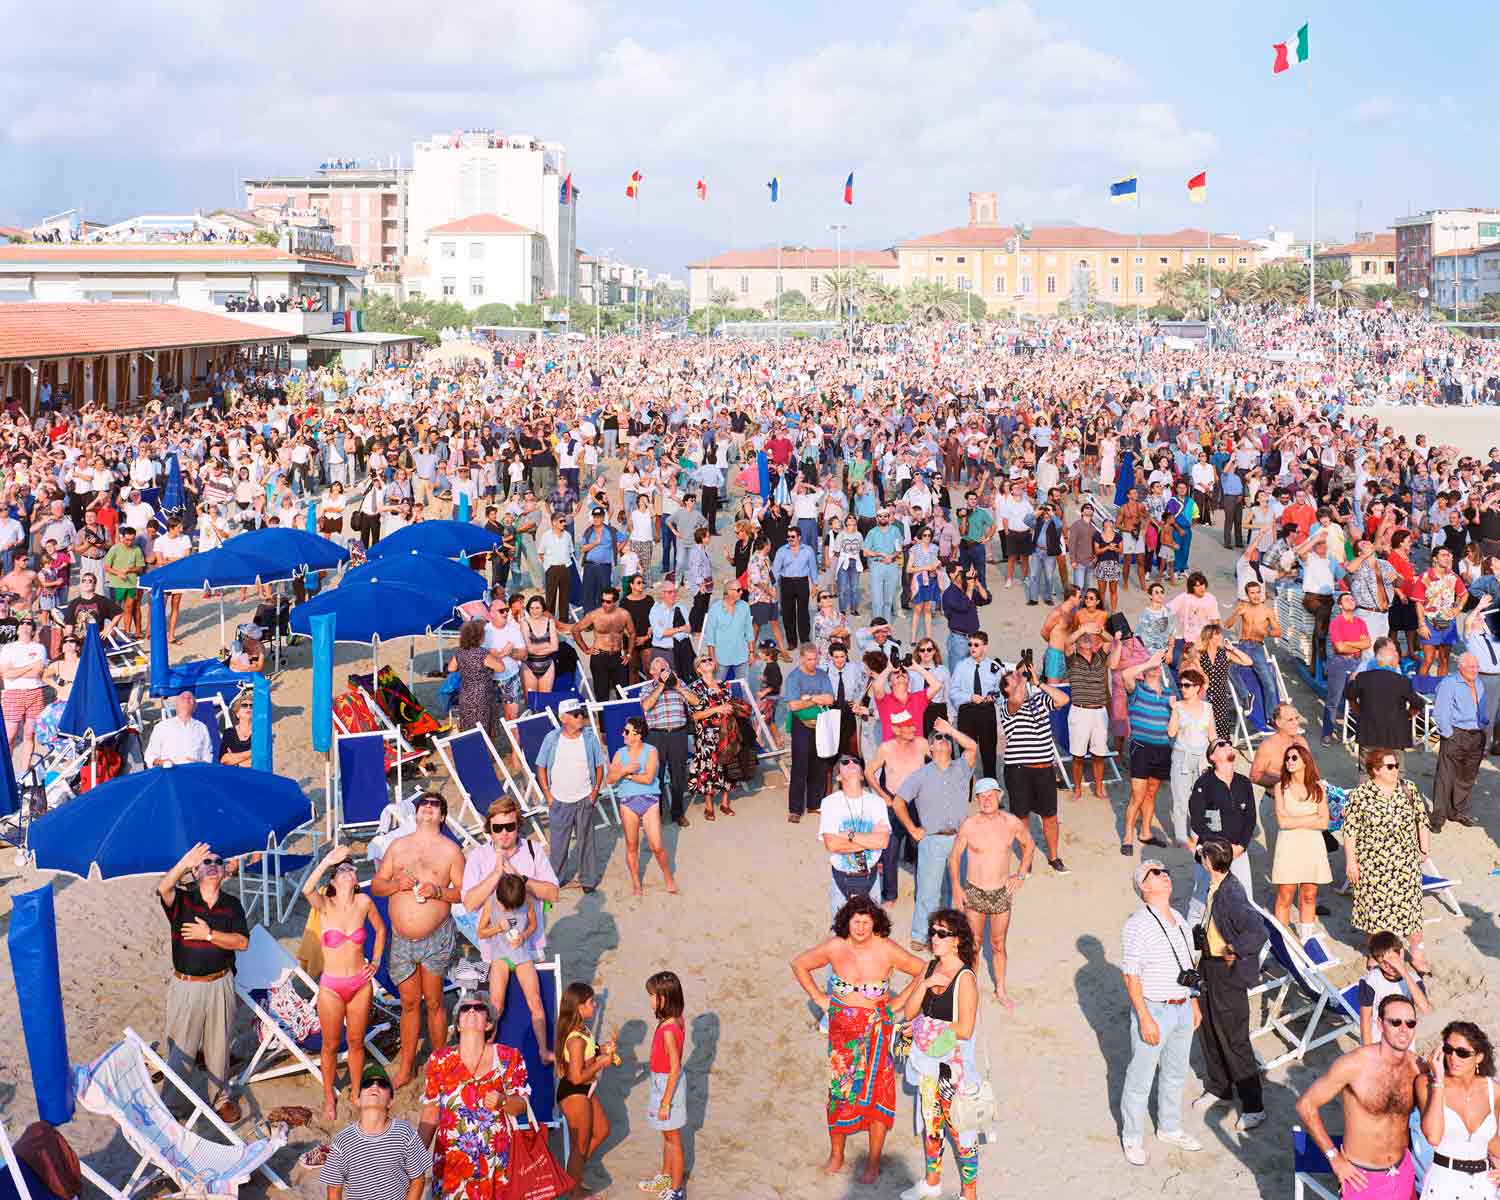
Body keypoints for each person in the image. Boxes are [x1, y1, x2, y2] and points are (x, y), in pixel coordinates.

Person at [790, 895, 925, 1186]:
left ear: (875, 923)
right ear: (846, 921)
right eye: (856, 921)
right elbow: (799, 964)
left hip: (878, 1031)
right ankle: (836, 1154)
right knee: (839, 1092)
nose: (861, 927)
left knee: (878, 1096)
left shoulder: (886, 949)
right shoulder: (835, 947)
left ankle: (874, 1162)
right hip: (842, 1033)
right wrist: (819, 999)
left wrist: (899, 1001)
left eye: (866, 921)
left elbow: (922, 969)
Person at [368, 793, 466, 1089]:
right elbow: (376, 885)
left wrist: (437, 892)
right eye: (424, 803)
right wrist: (398, 884)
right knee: (409, 1003)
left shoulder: (451, 852)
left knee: (435, 1001)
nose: (428, 806)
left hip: (436, 937)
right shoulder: (398, 847)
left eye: (436, 804)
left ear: (442, 817)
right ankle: (407, 1067)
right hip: (401, 940)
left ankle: (438, 1066)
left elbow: (462, 893)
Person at [1294, 992, 1423, 1197]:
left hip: (1403, 1170)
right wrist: (1334, 1158)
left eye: (1410, 1023)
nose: (1403, 1030)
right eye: (1395, 1022)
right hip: (1361, 1177)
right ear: (1380, 1024)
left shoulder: (1418, 1068)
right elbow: (1305, 1105)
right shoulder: (1354, 1065)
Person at [1119, 858, 1204, 1167]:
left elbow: (1187, 966)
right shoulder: (1136, 925)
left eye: (1166, 871)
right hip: (1155, 1009)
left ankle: (1169, 1127)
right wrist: (1143, 1016)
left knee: (1175, 1073)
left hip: (1181, 1007)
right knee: (1140, 1077)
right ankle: (1132, 1136)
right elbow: (1131, 976)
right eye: (1156, 873)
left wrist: (1193, 1001)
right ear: (1144, 886)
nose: (1165, 876)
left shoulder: (1179, 918)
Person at [157, 842, 249, 1123]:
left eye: (217, 862)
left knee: (219, 1045)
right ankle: (172, 1106)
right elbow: (164, 889)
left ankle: (220, 1099)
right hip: (187, 986)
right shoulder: (183, 901)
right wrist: (183, 863)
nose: (212, 865)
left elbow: (242, 942)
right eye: (205, 862)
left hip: (220, 982)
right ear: (195, 872)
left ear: (223, 872)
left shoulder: (232, 905)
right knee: (181, 1049)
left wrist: (209, 935)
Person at [900, 910, 981, 1200]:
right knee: (931, 1122)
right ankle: (932, 1183)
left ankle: (969, 1193)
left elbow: (966, 1028)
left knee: (960, 1128)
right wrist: (924, 984)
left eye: (942, 934)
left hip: (952, 1067)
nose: (934, 938)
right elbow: (909, 1012)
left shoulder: (965, 978)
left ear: (956, 940)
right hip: (928, 1063)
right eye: (933, 931)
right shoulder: (930, 967)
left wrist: (928, 1031)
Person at [417, 995, 528, 1200]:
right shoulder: (439, 1060)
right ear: (458, 1025)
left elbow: (523, 1105)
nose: (471, 1010)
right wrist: (413, 1156)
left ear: (488, 1024)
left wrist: (503, 1100)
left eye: (479, 1007)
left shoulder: (509, 1056)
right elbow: (431, 1112)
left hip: (496, 1164)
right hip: (452, 1164)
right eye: (465, 1008)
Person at [302, 845, 385, 1121]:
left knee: (356, 1041)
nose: (348, 872)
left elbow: (381, 929)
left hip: (360, 984)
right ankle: (329, 1097)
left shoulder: (364, 903)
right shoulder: (325, 905)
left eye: (351, 868)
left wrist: (375, 960)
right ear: (334, 881)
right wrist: (327, 860)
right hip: (332, 987)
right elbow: (306, 890)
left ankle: (355, 1091)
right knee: (330, 1044)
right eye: (342, 870)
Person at [1191, 837, 1268, 1130]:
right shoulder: (1216, 886)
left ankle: (1254, 1105)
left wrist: (1233, 949)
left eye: (1202, 854)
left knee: (1234, 1037)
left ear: (1210, 862)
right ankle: (1219, 1087)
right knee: (1209, 1029)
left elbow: (1257, 931)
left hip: (1226, 970)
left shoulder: (1231, 893)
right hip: (1208, 966)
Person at [1343, 748, 1433, 974]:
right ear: (1375, 770)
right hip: (1373, 864)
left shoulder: (1408, 788)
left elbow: (1421, 821)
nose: (1396, 770)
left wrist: (1425, 848)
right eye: (1390, 767)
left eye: (1396, 766)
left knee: (1411, 911)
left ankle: (1417, 953)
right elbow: (1350, 832)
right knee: (1374, 912)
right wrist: (1351, 862)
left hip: (1405, 863)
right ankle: (1376, 953)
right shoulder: (1361, 795)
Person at [891, 719, 977, 950]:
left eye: (945, 740)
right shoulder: (919, 775)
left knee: (957, 889)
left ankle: (955, 933)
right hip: (932, 840)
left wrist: (950, 730)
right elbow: (898, 802)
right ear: (930, 749)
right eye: (937, 739)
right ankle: (920, 935)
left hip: (960, 839)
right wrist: (912, 829)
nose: (942, 742)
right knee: (928, 892)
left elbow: (972, 747)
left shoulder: (961, 768)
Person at [949, 777, 1034, 1008]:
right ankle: (970, 989)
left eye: (990, 795)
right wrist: (956, 886)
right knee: (973, 943)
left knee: (998, 943)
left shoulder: (1011, 822)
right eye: (981, 797)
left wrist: (1021, 874)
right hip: (975, 891)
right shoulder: (969, 825)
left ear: (999, 796)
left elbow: (1029, 845)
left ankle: (1001, 989)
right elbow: (955, 856)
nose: (986, 800)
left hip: (1001, 892)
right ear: (976, 800)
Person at [996, 661, 1070, 872]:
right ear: (1006, 690)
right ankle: (1027, 858)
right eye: (1012, 681)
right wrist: (1020, 678)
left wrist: (1039, 683)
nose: (1018, 680)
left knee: (1050, 816)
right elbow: (1018, 698)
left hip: (1044, 768)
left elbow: (1063, 699)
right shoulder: (1007, 706)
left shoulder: (1039, 699)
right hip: (1019, 769)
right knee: (1022, 816)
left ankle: (1054, 857)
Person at [319, 1064, 432, 1200]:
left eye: (382, 1084)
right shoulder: (343, 1141)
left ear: (390, 1102)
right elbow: (334, 1189)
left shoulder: (405, 1132)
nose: (374, 1086)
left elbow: (418, 1179)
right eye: (367, 1084)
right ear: (358, 1100)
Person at [1415, 1021, 1498, 1200]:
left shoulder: (1494, 1091)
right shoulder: (1426, 1083)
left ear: (1479, 1058)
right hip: (1443, 1185)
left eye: (1462, 1053)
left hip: (1483, 1187)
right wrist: (1439, 1082)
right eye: (1448, 1050)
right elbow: (1433, 1137)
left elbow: (1491, 1139)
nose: (1453, 1057)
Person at [534, 699, 608, 892]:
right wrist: (548, 796)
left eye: (581, 713)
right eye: (576, 715)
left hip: (584, 798)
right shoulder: (552, 739)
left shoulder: (590, 738)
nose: (581, 717)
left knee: (587, 842)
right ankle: (554, 881)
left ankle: (588, 881)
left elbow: (599, 766)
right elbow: (540, 767)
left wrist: (594, 792)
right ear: (564, 718)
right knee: (558, 846)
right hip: (559, 800)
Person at [554, 982, 617, 1197]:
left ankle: (573, 1175)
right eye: (591, 1002)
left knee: (602, 1131)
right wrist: (601, 1063)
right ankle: (574, 1188)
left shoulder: (582, 1028)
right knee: (579, 1148)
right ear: (579, 1007)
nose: (595, 1004)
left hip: (585, 1089)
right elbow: (575, 1076)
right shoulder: (576, 1041)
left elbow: (588, 1051)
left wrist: (601, 1048)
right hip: (574, 1093)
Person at [865, 708, 930, 908]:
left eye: (913, 725)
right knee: (890, 850)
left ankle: (923, 893)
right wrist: (883, 795)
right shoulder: (886, 748)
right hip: (893, 802)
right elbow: (868, 772)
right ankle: (890, 895)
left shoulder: (922, 743)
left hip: (917, 802)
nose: (913, 729)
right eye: (908, 726)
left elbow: (940, 763)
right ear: (896, 729)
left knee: (922, 849)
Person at [1186, 738, 1256, 921]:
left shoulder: (1243, 783)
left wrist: (1240, 846)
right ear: (1212, 756)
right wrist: (1219, 848)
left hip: (1238, 851)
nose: (1227, 745)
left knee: (1244, 897)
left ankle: (1242, 941)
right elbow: (1198, 821)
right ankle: (1192, 941)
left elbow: (1250, 818)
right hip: (1211, 851)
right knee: (1202, 898)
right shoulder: (1204, 784)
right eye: (1221, 744)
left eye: (1228, 743)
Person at [1269, 743, 1333, 940]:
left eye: (1294, 758)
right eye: (1287, 758)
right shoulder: (1280, 787)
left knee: (1309, 895)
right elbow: (1282, 822)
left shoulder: (1318, 787)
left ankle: (1306, 939)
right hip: (1288, 846)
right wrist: (1311, 819)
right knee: (1285, 895)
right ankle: (1282, 942)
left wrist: (1296, 821)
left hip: (1312, 846)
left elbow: (1324, 822)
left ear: (1305, 761)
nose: (1289, 761)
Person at [608, 715, 678, 895]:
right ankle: (636, 883)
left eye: (626, 731)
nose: (622, 734)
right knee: (632, 845)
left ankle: (668, 876)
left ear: (638, 735)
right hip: (627, 803)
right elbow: (609, 779)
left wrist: (628, 776)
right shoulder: (619, 753)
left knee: (657, 846)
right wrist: (624, 770)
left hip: (649, 801)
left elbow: (648, 779)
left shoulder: (651, 750)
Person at [820, 753, 892, 915]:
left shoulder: (877, 802)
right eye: (845, 762)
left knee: (872, 932)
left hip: (871, 878)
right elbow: (832, 844)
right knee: (840, 934)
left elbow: (883, 842)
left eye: (856, 762)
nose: (851, 763)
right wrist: (870, 839)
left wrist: (850, 835)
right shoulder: (830, 803)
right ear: (838, 776)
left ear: (861, 775)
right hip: (841, 878)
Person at [1118, 646, 1173, 854]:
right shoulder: (1137, 689)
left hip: (1162, 748)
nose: (1156, 667)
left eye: (1158, 665)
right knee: (1137, 795)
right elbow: (1125, 674)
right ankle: (1128, 837)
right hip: (1141, 747)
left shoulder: (1169, 694)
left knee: (1151, 793)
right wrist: (1149, 662)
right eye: (1153, 665)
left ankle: (1146, 832)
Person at [645, 971, 689, 1200]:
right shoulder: (675, 1019)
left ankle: (676, 1189)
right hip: (662, 1082)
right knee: (668, 1138)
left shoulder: (669, 1030)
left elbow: (675, 1068)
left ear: (665, 999)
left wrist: (665, 1102)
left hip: (667, 1086)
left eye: (653, 996)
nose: (650, 1001)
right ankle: (665, 1176)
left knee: (674, 1141)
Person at [1343, 638, 1423, 762]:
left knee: (1366, 772)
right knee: (1395, 771)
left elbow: (1349, 695)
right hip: (1395, 735)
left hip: (1368, 733)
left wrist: (1358, 711)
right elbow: (1418, 703)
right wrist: (1408, 714)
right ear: (1392, 662)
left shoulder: (1363, 677)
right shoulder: (1402, 681)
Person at [1432, 652, 1487, 831]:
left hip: (1476, 735)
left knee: (1467, 776)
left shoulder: (1479, 683)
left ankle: (1457, 811)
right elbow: (1440, 712)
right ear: (1460, 667)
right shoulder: (1449, 683)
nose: (1475, 670)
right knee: (1445, 777)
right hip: (1456, 734)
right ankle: (1438, 817)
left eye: (1477, 666)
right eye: (1471, 667)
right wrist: (1448, 734)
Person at [783, 642, 835, 823]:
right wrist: (818, 701)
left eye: (816, 659)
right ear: (802, 658)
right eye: (810, 659)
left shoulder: (822, 675)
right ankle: (795, 809)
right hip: (801, 724)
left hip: (821, 724)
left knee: (819, 764)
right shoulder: (794, 678)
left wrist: (810, 698)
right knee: (800, 766)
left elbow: (830, 698)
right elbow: (793, 704)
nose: (814, 662)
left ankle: (814, 803)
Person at [641, 654, 694, 827]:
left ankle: (677, 813)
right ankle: (656, 814)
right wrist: (662, 686)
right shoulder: (648, 688)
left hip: (678, 734)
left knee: (678, 775)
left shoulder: (679, 684)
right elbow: (646, 706)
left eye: (667, 668)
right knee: (656, 776)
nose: (666, 671)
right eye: (661, 668)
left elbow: (695, 701)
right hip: (657, 735)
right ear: (652, 672)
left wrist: (678, 686)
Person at [684, 650, 736, 819]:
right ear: (698, 669)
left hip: (726, 730)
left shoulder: (724, 685)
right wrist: (717, 709)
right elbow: (695, 716)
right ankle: (708, 805)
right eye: (703, 661)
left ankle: (725, 803)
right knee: (708, 767)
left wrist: (730, 708)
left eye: (709, 659)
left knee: (727, 765)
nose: (707, 661)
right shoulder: (695, 689)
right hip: (706, 734)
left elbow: (730, 706)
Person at [1356, 932, 1431, 1045]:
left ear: (1401, 953)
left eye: (1392, 959)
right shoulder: (1371, 980)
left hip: (1404, 1041)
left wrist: (1404, 972)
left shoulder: (1413, 980)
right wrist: (1367, 1048)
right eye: (1383, 963)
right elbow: (1365, 1019)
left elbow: (1425, 1008)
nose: (1389, 966)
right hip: (1378, 1040)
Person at [1063, 627, 1112, 802]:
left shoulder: (1100, 656)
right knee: (1078, 755)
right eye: (1082, 638)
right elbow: (1067, 642)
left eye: (1088, 638)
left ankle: (1098, 787)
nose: (1085, 639)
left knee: (1099, 754)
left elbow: (1110, 641)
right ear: (1077, 645)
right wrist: (1083, 628)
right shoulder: (1072, 659)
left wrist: (1099, 630)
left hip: (1100, 711)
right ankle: (1077, 789)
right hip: (1080, 711)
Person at [949, 630, 1004, 778]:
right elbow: (953, 692)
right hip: (967, 712)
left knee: (989, 755)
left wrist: (995, 697)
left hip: (987, 712)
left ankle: (991, 791)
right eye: (970, 644)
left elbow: (1001, 693)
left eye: (976, 645)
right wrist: (969, 697)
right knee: (965, 754)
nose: (972, 648)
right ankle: (964, 793)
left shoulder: (995, 667)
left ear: (985, 647)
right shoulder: (961, 666)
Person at [446, 620, 508, 745]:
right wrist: (496, 655)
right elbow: (501, 668)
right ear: (478, 636)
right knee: (486, 730)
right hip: (483, 696)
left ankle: (473, 754)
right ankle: (487, 758)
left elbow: (451, 668)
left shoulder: (459, 651)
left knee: (469, 729)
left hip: (466, 695)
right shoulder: (482, 653)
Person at [572, 587, 635, 706]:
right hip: (599, 657)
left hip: (617, 657)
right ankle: (603, 723)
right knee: (602, 696)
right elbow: (575, 629)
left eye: (608, 602)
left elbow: (632, 633)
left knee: (624, 693)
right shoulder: (594, 615)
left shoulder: (624, 614)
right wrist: (585, 649)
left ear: (615, 602)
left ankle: (624, 722)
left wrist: (629, 653)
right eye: (602, 601)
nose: (604, 604)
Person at [0, 617, 48, 774]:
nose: (25, 626)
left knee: (29, 734)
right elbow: (5, 673)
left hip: (34, 692)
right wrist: (29, 667)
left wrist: (16, 671)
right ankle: (5, 771)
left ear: (33, 630)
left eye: (29, 624)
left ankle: (23, 772)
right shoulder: (8, 648)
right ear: (18, 629)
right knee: (9, 736)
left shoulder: (39, 647)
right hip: (13, 693)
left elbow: (37, 672)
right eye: (22, 623)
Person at [144, 689, 214, 767]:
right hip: (169, 772)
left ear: (194, 707)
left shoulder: (202, 728)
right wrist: (162, 762)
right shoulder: (161, 727)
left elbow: (208, 758)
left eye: (190, 698)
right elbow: (150, 757)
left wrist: (199, 764)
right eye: (183, 697)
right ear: (176, 705)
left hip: (194, 772)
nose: (187, 698)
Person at [517, 595, 559, 693]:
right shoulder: (524, 622)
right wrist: (547, 645)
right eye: (531, 608)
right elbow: (529, 649)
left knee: (544, 701)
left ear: (543, 608)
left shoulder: (550, 622)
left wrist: (535, 648)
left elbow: (555, 647)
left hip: (548, 665)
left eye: (537, 608)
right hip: (529, 666)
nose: (534, 611)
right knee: (531, 703)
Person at [218, 700, 254, 766]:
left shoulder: (260, 733)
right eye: (244, 705)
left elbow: (260, 760)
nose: (249, 708)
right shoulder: (229, 732)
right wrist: (252, 753)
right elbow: (224, 759)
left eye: (252, 706)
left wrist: (236, 761)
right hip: (233, 774)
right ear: (237, 713)